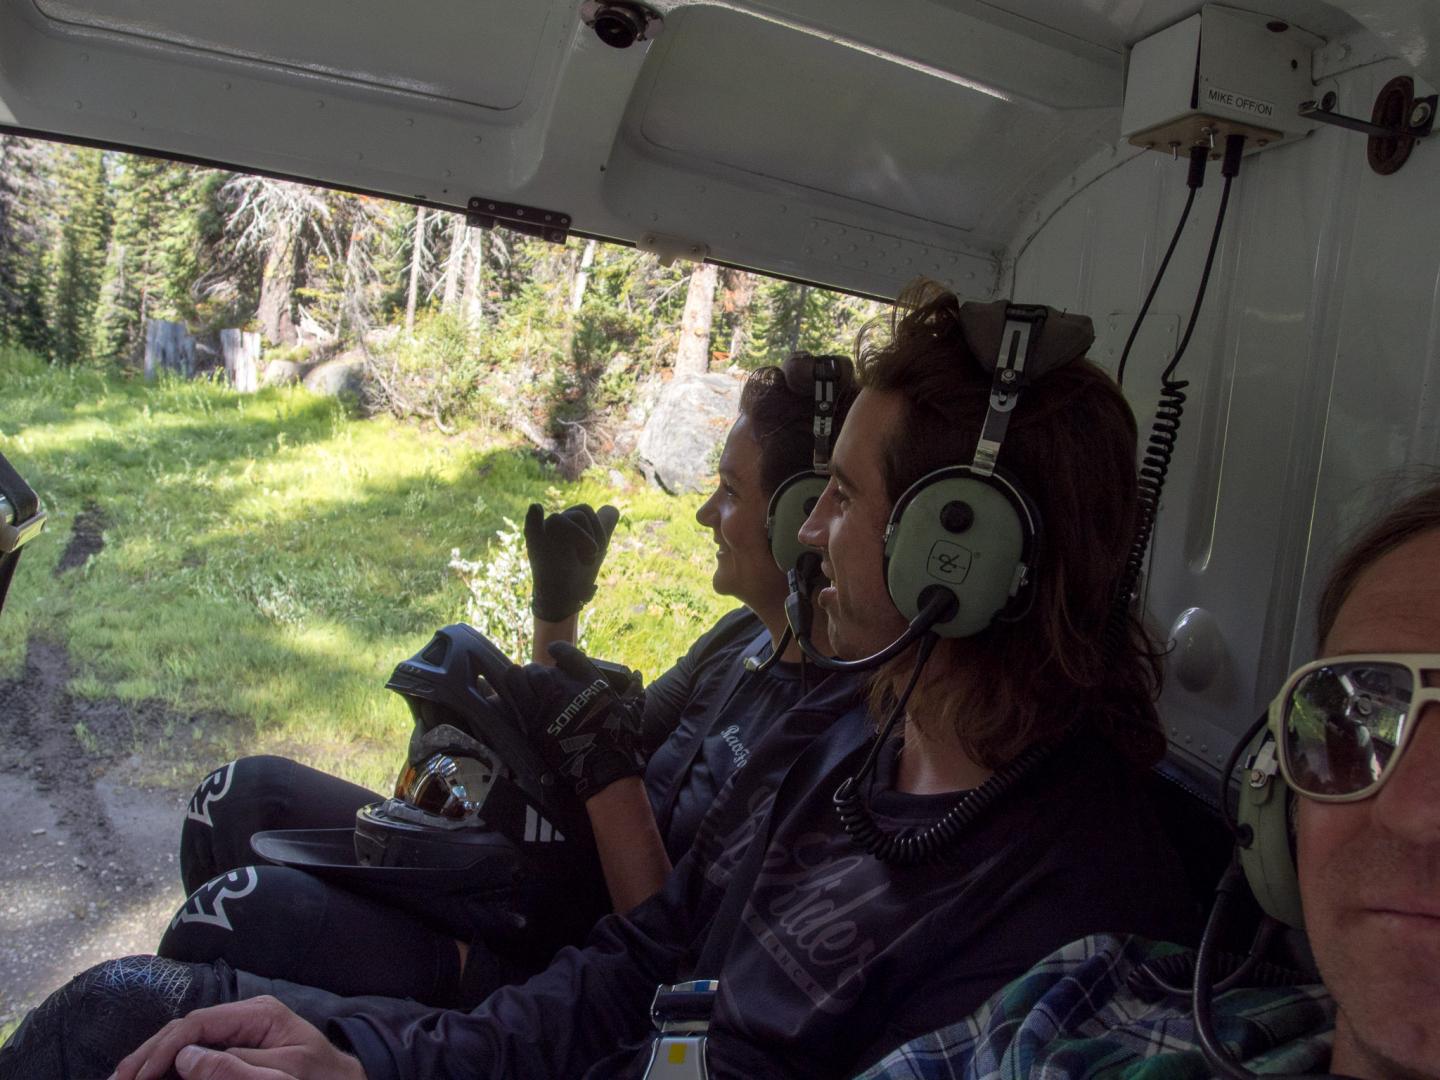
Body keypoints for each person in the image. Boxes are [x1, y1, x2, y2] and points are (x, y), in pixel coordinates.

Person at [87, 282, 1196, 1080]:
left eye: (845, 499)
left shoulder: (1074, 911)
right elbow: (642, 968)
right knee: (128, 1018)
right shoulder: (849, 742)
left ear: (960, 551)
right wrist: (372, 1060)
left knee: (136, 1009)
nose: (812, 531)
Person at [151, 352, 860, 1008]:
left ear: (802, 518)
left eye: (730, 492)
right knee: (239, 800)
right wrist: (557, 613)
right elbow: (582, 753)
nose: (705, 514)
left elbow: (668, 960)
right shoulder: (742, 641)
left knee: (239, 918)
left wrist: (602, 767)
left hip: (581, 980)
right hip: (541, 893)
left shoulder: (830, 730)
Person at [849, 477, 1440, 1080]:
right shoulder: (1079, 1007)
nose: (1413, 814)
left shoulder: (1083, 890)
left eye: (845, 498)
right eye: (1354, 717)